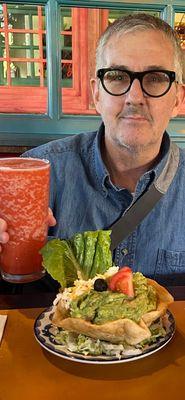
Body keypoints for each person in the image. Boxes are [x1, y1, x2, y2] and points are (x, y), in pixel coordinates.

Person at [0, 13, 185, 286]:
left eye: (156, 78)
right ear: (97, 93)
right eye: (118, 76)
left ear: (178, 98)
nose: (134, 97)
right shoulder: (40, 173)